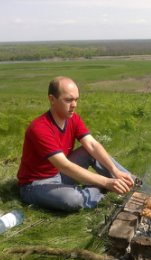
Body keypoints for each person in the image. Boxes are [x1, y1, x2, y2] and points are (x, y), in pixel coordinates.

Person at [17, 76, 134, 211]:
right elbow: (64, 165)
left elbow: (92, 146)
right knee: (72, 199)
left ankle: (131, 183)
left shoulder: (73, 119)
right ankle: (102, 189)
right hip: (36, 184)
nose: (74, 105)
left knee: (88, 151)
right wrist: (106, 182)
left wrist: (115, 171)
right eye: (68, 100)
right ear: (52, 99)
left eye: (76, 99)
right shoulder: (39, 128)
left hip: (60, 174)